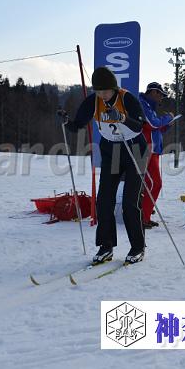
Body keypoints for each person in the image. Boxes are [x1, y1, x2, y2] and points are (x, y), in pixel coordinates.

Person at [60, 66, 148, 265]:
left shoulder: (126, 98)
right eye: (99, 92)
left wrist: (122, 117)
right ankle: (106, 246)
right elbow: (77, 125)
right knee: (104, 200)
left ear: (114, 88)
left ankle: (138, 247)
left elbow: (139, 125)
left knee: (130, 202)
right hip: (112, 151)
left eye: (105, 92)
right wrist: (66, 121)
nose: (102, 96)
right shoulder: (94, 101)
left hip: (134, 149)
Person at [139, 82, 173, 230]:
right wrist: (167, 118)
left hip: (153, 150)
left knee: (153, 184)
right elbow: (152, 124)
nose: (161, 99)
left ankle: (144, 217)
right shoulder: (142, 104)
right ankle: (142, 218)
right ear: (154, 92)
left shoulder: (150, 107)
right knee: (153, 184)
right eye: (161, 95)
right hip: (145, 150)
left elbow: (155, 129)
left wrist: (166, 126)